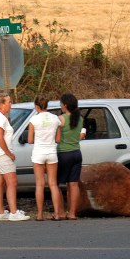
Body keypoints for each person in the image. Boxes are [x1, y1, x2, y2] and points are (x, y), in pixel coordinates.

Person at [0, 92, 30, 221]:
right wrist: (9, 153)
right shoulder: (0, 118)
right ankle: (13, 212)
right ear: (2, 105)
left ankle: (0, 212)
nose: (11, 104)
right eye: (9, 102)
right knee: (12, 182)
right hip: (2, 154)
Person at [27, 97, 64, 221]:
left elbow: (30, 140)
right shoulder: (56, 119)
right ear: (47, 105)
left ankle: (39, 214)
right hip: (52, 152)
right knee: (53, 184)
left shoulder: (34, 120)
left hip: (38, 153)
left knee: (40, 184)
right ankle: (57, 214)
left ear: (37, 107)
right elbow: (58, 139)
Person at [57, 92, 86, 220]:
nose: (60, 106)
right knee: (73, 184)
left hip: (63, 153)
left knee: (55, 184)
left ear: (65, 105)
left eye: (61, 104)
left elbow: (56, 138)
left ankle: (61, 212)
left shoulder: (61, 119)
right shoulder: (80, 119)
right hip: (76, 153)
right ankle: (72, 213)